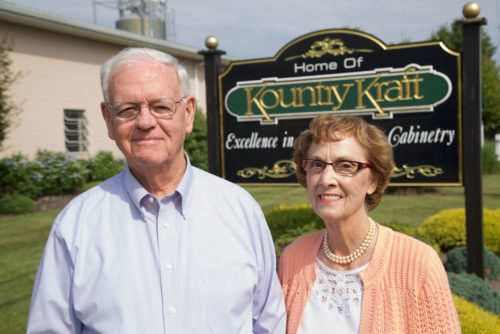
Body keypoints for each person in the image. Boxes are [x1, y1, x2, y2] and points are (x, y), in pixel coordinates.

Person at [27, 47, 286, 333]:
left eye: (161, 106)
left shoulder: (240, 210)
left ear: (187, 114)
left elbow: (268, 321)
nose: (145, 122)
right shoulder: (76, 224)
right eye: (128, 109)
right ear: (108, 120)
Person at [278, 115, 460, 333]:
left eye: (345, 165)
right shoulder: (294, 258)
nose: (326, 179)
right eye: (317, 164)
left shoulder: (419, 264)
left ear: (373, 181)